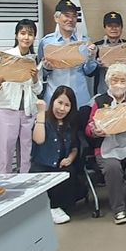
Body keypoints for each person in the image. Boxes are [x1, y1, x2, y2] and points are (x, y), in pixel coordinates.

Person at [85, 64, 126, 224]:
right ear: (108, 82)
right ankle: (119, 209)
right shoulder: (99, 101)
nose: (118, 84)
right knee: (112, 167)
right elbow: (89, 128)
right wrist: (94, 131)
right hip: (106, 146)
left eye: (122, 81)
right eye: (115, 80)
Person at [0, 19, 42, 173]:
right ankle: (4, 184)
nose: (26, 37)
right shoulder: (7, 56)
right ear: (16, 35)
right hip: (7, 109)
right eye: (23, 33)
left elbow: (38, 90)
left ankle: (26, 184)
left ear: (34, 37)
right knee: (6, 153)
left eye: (30, 34)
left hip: (28, 112)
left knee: (27, 154)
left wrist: (35, 78)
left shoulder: (34, 59)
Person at [30, 86, 80, 225]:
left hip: (60, 166)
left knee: (70, 173)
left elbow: (74, 147)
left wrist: (70, 158)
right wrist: (40, 113)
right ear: (53, 101)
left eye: (67, 105)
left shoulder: (71, 123)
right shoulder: (43, 119)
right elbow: (39, 140)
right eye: (60, 103)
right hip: (43, 165)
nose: (62, 108)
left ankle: (56, 207)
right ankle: (49, 209)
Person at [37, 0, 98, 107]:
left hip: (80, 98)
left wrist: (91, 57)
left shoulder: (84, 41)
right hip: (54, 98)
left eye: (74, 16)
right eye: (66, 15)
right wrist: (47, 69)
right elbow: (40, 74)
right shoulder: (46, 42)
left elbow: (88, 72)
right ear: (56, 18)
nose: (70, 19)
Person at [92, 11, 126, 95]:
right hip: (103, 92)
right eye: (110, 26)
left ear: (121, 28)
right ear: (105, 28)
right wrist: (97, 64)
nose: (113, 28)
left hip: (124, 91)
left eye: (116, 26)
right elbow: (90, 73)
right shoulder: (96, 47)